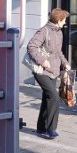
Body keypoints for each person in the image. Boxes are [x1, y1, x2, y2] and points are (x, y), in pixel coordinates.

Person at [27, 8, 71, 140]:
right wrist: (42, 61)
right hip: (42, 70)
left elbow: (58, 52)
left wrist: (65, 63)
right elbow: (31, 47)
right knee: (54, 97)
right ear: (58, 20)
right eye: (64, 20)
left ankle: (41, 128)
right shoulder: (44, 31)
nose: (65, 23)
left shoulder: (59, 33)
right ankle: (51, 129)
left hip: (54, 70)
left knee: (47, 98)